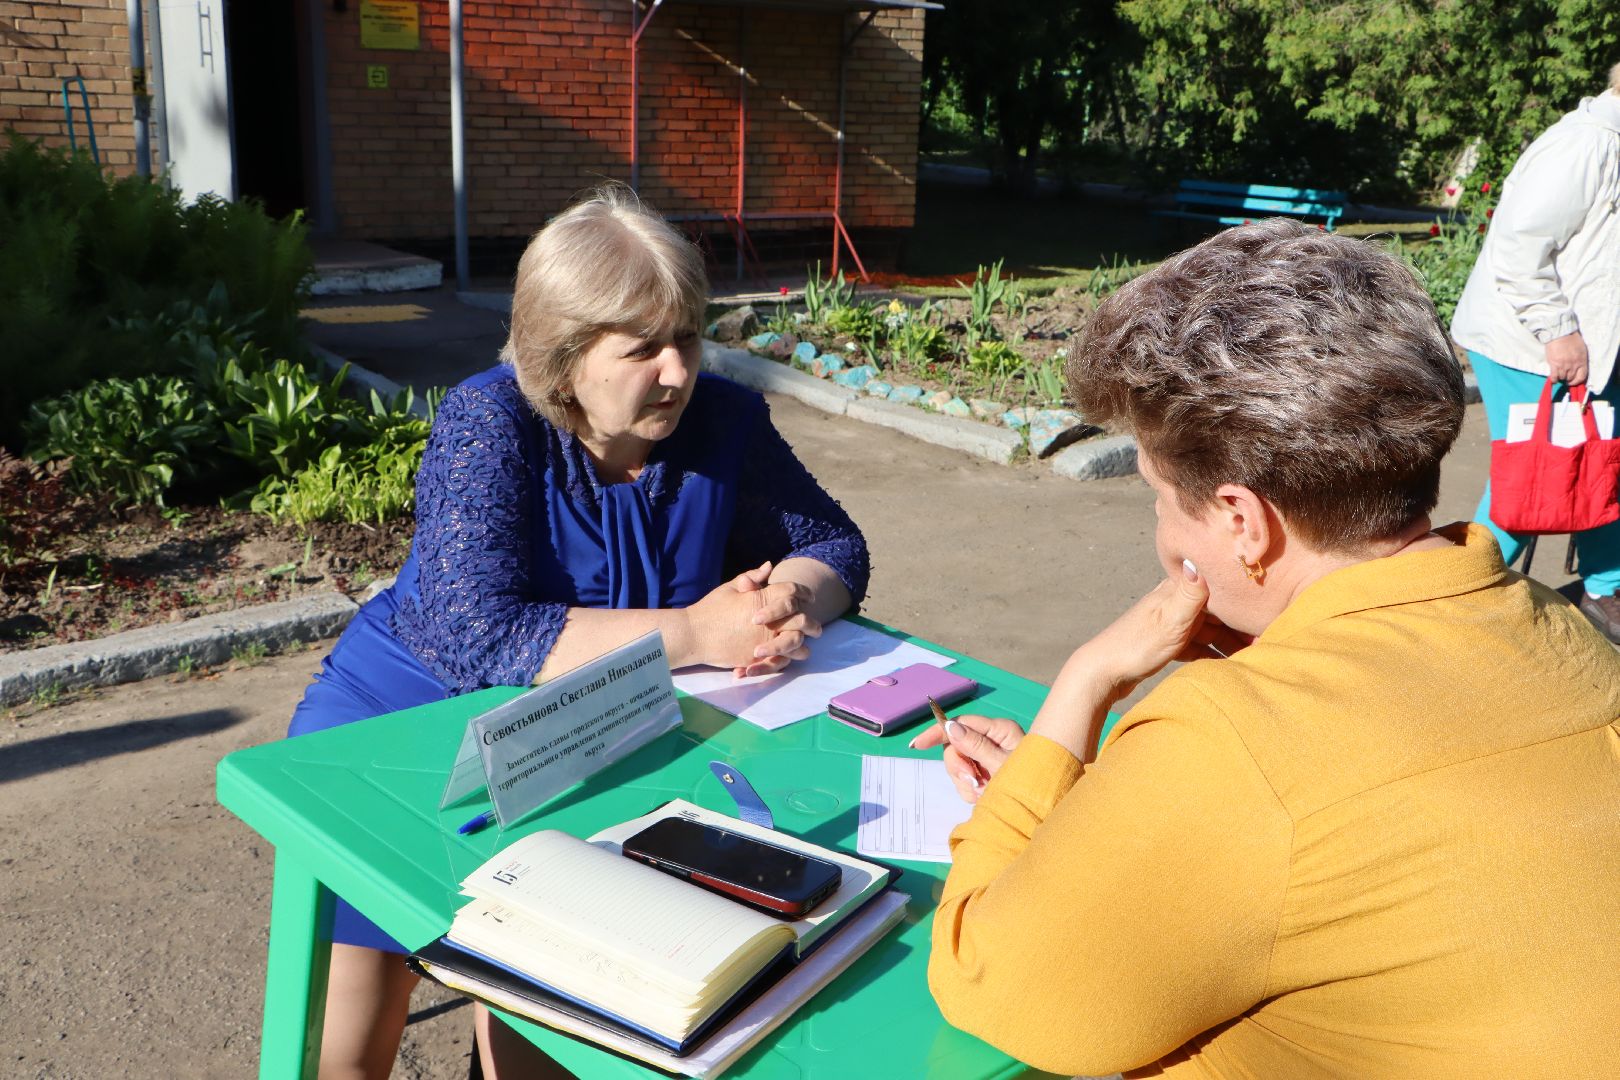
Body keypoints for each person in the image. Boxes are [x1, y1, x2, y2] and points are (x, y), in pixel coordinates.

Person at [917, 220, 1620, 1078]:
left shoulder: (1238, 738)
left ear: (1243, 521)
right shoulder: (1554, 625)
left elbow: (992, 981)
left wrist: (1084, 685)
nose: (1159, 528)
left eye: (1159, 499)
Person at [286, 185, 869, 1080]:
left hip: (584, 743)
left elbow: (834, 544)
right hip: (404, 732)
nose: (677, 370)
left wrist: (787, 599)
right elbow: (476, 633)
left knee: (550, 1019)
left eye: (688, 335)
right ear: (561, 359)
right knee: (355, 1044)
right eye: (643, 349)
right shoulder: (490, 423)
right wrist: (695, 631)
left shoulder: (722, 419)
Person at [1451, 62, 1620, 642]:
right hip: (1535, 345)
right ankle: (1461, 601)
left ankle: (1605, 587)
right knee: (1534, 478)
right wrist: (1559, 332)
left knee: (1603, 461)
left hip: (1594, 343)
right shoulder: (1584, 147)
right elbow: (1519, 249)